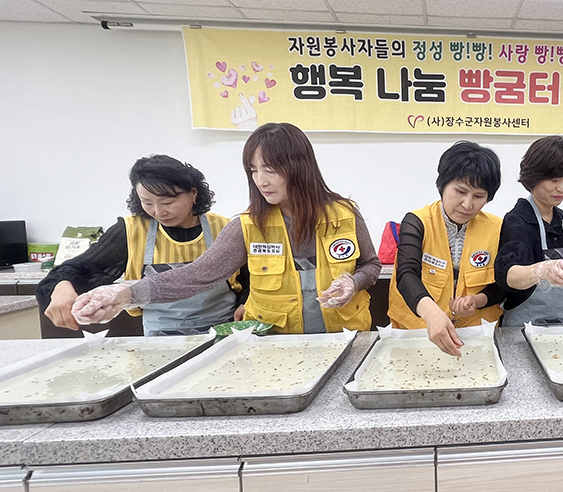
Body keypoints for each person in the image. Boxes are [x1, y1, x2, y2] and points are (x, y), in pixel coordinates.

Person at [72, 123, 379, 334]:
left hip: (343, 337)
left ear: (300, 167)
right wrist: (126, 294)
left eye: (271, 169)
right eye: (254, 170)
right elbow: (196, 275)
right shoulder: (247, 225)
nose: (261, 180)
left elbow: (371, 264)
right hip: (277, 345)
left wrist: (353, 281)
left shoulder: (344, 214)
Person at [37, 155, 246, 336]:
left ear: (193, 193)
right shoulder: (131, 231)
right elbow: (78, 269)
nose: (158, 211)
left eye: (167, 202)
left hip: (224, 332)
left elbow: (250, 278)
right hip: (159, 337)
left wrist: (246, 303)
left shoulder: (226, 228)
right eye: (147, 203)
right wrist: (63, 287)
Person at [388, 141, 504, 357]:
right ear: (442, 184)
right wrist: (431, 312)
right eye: (460, 191)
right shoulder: (418, 221)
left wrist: (478, 300)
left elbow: (502, 285)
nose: (467, 204)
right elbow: (406, 274)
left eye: (479, 196)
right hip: (418, 333)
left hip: (474, 337)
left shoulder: (497, 228)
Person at [495, 136, 563, 327]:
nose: (561, 188)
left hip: (561, 324)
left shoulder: (562, 220)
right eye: (554, 180)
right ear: (534, 176)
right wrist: (541, 271)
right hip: (523, 326)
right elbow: (507, 275)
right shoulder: (518, 220)